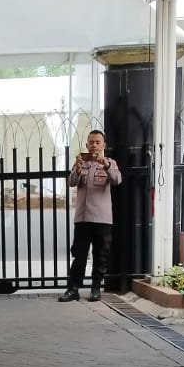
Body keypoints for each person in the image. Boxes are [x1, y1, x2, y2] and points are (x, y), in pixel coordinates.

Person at [60, 129, 121, 303]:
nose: (94, 145)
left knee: (101, 255)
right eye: (91, 142)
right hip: (82, 218)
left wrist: (106, 166)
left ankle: (96, 288)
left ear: (103, 145)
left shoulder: (110, 163)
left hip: (102, 219)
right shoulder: (81, 163)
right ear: (87, 145)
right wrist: (77, 169)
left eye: (97, 142)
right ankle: (73, 289)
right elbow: (71, 182)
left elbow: (117, 180)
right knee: (79, 255)